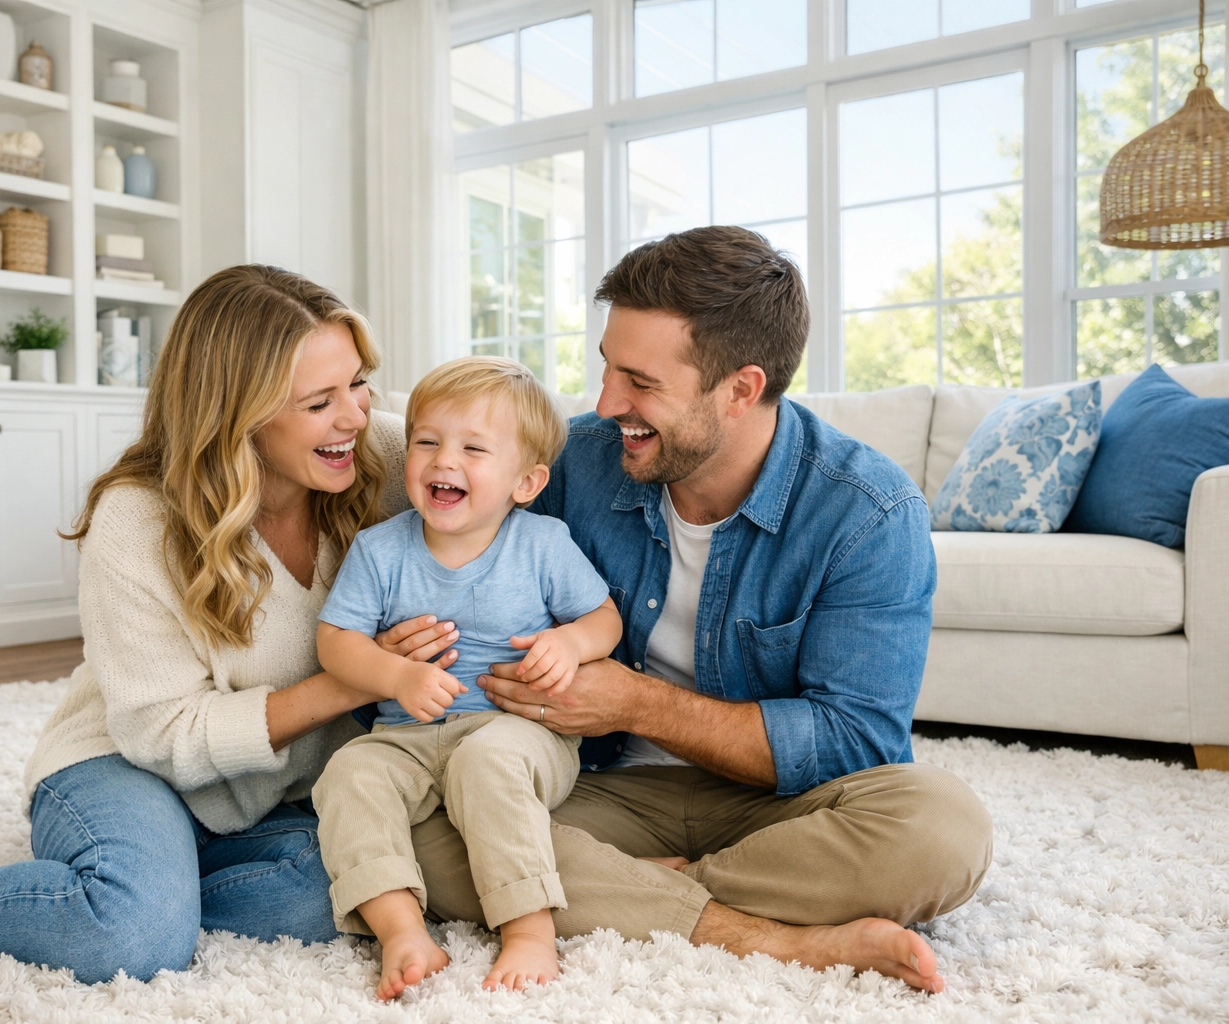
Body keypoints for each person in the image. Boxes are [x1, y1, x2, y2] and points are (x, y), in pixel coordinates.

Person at [0, 265, 457, 984]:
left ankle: (147, 885)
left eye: (359, 383)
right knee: (132, 939)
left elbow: (507, 461)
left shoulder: (383, 454)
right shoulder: (139, 518)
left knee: (345, 892)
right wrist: (356, 680)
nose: (355, 415)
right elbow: (160, 733)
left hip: (277, 793)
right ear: (238, 412)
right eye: (320, 401)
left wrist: (541, 652)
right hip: (130, 764)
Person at [413, 226, 994, 994]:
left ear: (741, 390)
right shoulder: (570, 463)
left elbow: (855, 741)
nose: (606, 403)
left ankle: (636, 891)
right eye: (606, 368)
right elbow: (464, 577)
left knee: (943, 830)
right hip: (593, 787)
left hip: (781, 809)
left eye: (640, 382)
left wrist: (635, 702)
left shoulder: (867, 512)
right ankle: (766, 935)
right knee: (419, 825)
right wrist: (414, 639)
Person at [312, 358, 623, 998]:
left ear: (526, 481)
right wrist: (397, 675)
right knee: (349, 772)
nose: (443, 460)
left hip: (518, 733)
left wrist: (569, 643)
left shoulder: (542, 543)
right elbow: (335, 642)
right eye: (426, 441)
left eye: (473, 449)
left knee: (487, 760)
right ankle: (401, 930)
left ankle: (529, 929)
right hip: (408, 734)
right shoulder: (380, 549)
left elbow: (604, 619)